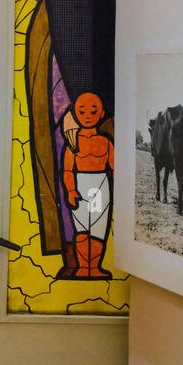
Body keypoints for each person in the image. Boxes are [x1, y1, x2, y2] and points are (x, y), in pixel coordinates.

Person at [62, 91, 115, 279]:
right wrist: (70, 190)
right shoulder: (72, 143)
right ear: (76, 114)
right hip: (80, 186)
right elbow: (67, 170)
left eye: (93, 111)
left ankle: (95, 267)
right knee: (82, 228)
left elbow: (115, 167)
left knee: (99, 229)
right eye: (82, 112)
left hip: (100, 188)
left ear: (100, 114)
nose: (87, 116)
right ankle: (84, 268)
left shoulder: (106, 142)